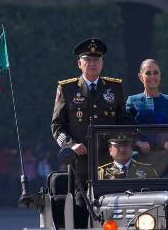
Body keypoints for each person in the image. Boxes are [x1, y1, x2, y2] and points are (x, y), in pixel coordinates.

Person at [51, 38, 127, 188]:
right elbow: (57, 125)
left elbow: (123, 121)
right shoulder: (67, 89)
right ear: (79, 63)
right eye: (88, 59)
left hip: (109, 160)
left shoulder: (114, 87)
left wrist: (122, 145)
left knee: (111, 205)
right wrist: (71, 145)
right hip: (80, 162)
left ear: (102, 63)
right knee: (80, 205)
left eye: (97, 59)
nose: (93, 63)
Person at [126, 59, 168, 125]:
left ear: (160, 75)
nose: (152, 77)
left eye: (156, 73)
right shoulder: (132, 101)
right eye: (148, 73)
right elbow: (128, 131)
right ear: (141, 77)